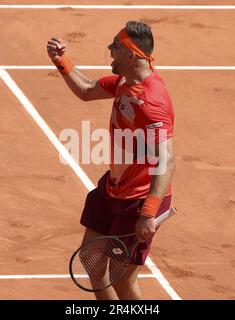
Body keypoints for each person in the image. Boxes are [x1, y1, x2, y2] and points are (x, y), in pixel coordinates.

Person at [46, 21, 175, 300]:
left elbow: (166, 160)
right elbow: (87, 90)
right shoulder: (123, 82)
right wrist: (62, 62)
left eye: (115, 46)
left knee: (123, 281)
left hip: (138, 201)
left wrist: (148, 212)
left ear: (131, 54)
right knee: (92, 262)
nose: (109, 49)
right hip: (115, 187)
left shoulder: (152, 102)